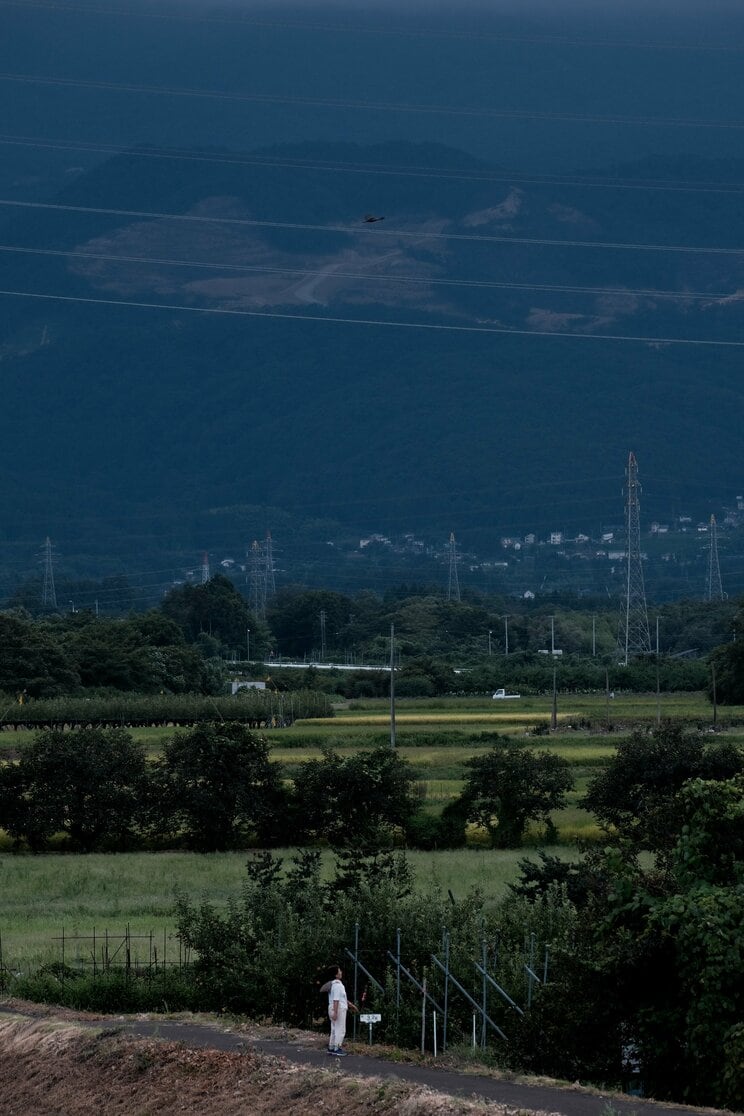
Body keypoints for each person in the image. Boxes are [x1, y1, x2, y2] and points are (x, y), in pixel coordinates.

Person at [321, 964, 357, 1056]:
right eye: (339, 971)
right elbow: (336, 999)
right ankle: (337, 1048)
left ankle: (331, 1047)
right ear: (336, 974)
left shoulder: (333, 985)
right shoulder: (338, 985)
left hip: (332, 1007)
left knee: (334, 1028)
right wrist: (336, 1012)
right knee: (340, 1029)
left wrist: (350, 1004)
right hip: (338, 1008)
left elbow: (341, 998)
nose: (341, 972)